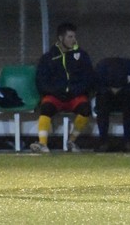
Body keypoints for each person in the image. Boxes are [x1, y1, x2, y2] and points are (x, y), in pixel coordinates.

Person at [30, 22, 94, 153]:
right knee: (46, 107)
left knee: (85, 109)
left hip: (74, 96)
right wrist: (55, 91)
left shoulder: (81, 56)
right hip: (55, 95)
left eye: (74, 37)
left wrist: (75, 91)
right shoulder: (48, 58)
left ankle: (71, 141)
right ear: (61, 38)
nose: (73, 40)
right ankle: (42, 144)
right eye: (70, 37)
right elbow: (41, 81)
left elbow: (88, 78)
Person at [93, 57, 130, 152]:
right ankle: (103, 142)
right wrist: (109, 90)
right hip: (107, 99)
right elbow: (96, 86)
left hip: (125, 98)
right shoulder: (102, 73)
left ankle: (127, 141)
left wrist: (122, 90)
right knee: (102, 106)